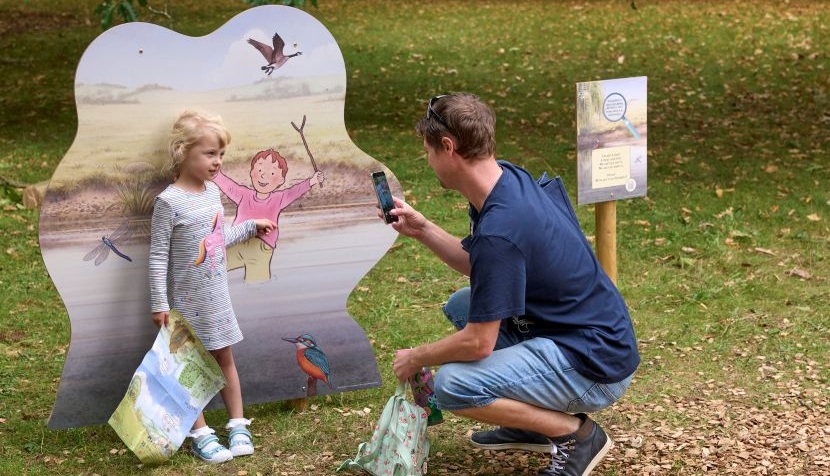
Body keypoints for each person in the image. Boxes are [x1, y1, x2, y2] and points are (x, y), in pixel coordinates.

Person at [386, 93, 640, 476]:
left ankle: (576, 434)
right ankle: (530, 423)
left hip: (596, 366)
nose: (428, 160)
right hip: (590, 335)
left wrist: (417, 357)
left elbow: (478, 342)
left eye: (428, 150)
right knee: (462, 303)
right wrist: (422, 230)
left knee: (452, 385)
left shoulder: (500, 230)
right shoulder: (506, 179)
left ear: (449, 147)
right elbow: (485, 267)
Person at [149, 111, 277, 464]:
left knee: (224, 359)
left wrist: (250, 226)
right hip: (185, 301)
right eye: (209, 154)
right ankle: (200, 432)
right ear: (182, 152)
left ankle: (237, 423)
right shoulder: (169, 201)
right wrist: (159, 302)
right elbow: (159, 256)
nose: (217, 161)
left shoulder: (212, 194)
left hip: (216, 298)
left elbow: (216, 239)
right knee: (189, 367)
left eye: (220, 154)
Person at [213, 147, 324, 283]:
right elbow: (228, 186)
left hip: (262, 248)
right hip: (239, 243)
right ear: (251, 172)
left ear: (281, 180)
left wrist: (312, 181)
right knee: (213, 269)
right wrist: (215, 174)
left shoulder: (279, 198)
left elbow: (293, 192)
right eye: (259, 170)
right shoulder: (244, 195)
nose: (263, 176)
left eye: (272, 173)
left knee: (258, 284)